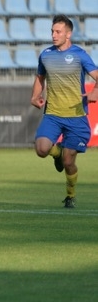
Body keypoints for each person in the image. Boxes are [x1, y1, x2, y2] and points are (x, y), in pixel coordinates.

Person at [31, 14, 98, 209]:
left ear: (68, 34)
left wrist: (95, 91)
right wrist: (35, 96)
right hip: (52, 114)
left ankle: (70, 195)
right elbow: (39, 77)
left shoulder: (79, 55)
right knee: (41, 149)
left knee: (69, 162)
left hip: (76, 116)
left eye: (58, 31)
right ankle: (56, 153)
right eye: (52, 31)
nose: (53, 35)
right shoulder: (46, 55)